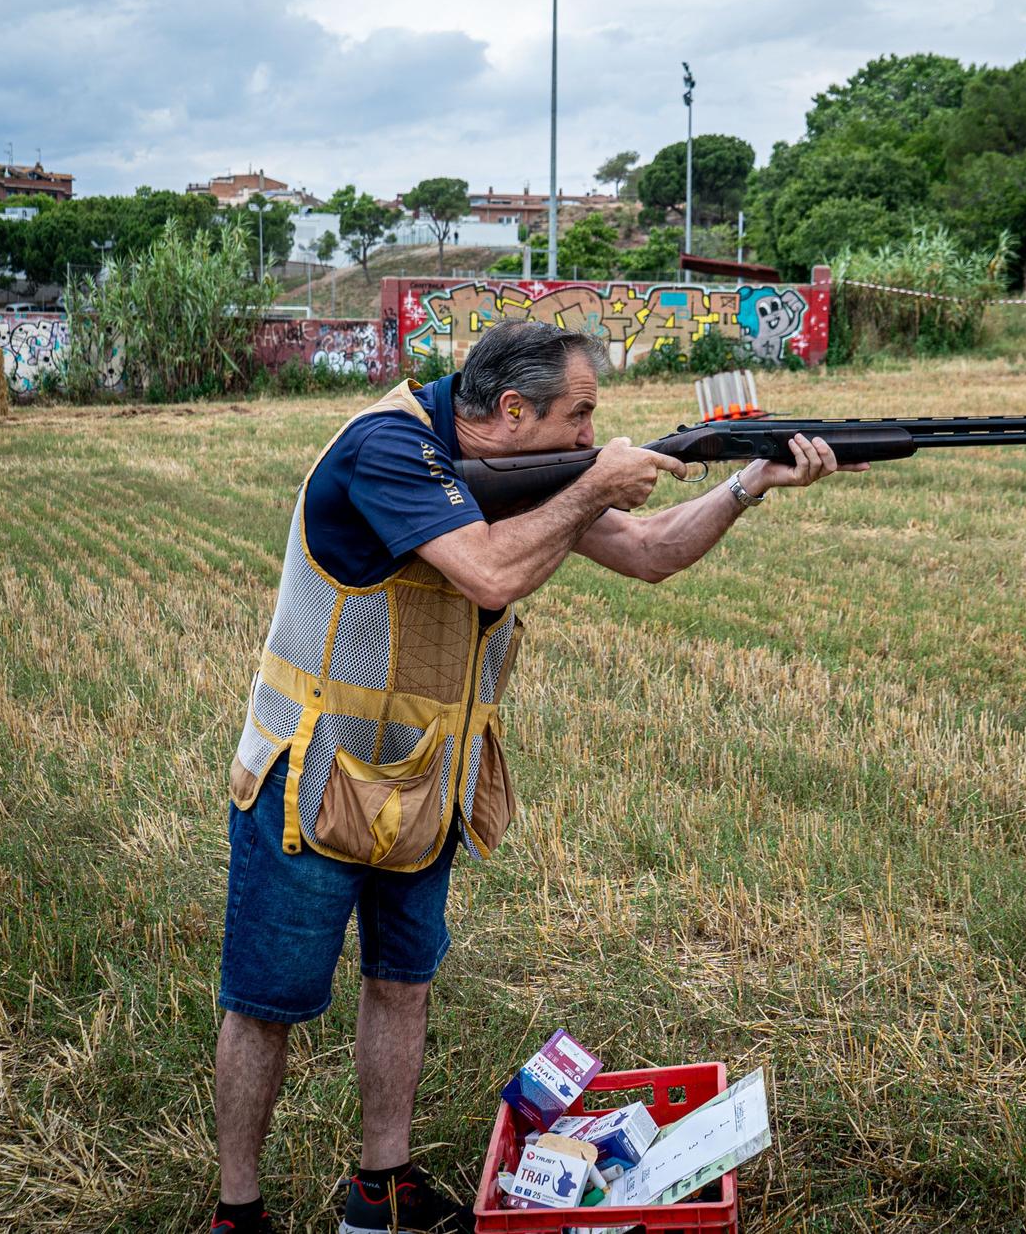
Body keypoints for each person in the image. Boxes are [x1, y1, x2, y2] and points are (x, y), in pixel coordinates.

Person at [212, 321, 862, 1234]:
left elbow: (649, 552)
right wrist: (594, 483)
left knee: (403, 980)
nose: (595, 438)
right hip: (309, 780)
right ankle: (236, 1211)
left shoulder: (522, 466)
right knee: (265, 1003)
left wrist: (748, 484)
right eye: (581, 415)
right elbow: (484, 574)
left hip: (424, 779)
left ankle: (381, 1190)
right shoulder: (387, 447)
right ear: (511, 412)